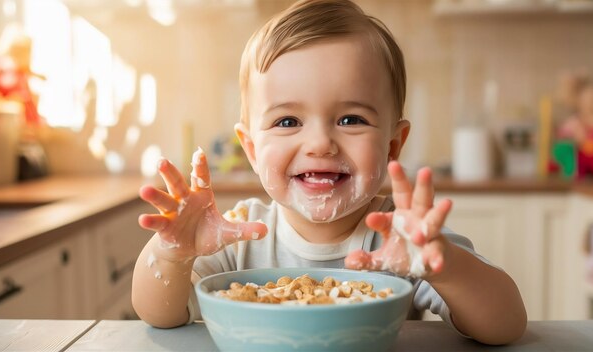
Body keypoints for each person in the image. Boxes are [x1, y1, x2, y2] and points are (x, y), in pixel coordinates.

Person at [132, 0, 527, 345]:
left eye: (351, 119)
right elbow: (160, 315)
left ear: (392, 145)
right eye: (288, 122)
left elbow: (506, 325)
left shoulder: (403, 237)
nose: (320, 143)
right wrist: (173, 254)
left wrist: (445, 266)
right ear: (251, 149)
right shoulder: (236, 235)